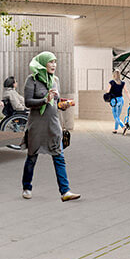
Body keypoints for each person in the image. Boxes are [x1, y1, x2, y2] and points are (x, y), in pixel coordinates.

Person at [21, 51, 79, 201]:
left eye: (55, 62)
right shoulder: (32, 80)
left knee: (59, 156)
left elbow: (56, 102)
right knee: (32, 157)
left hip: (53, 124)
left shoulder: (55, 80)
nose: (54, 65)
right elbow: (28, 102)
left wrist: (63, 105)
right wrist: (45, 100)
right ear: (42, 63)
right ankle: (27, 187)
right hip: (37, 126)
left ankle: (65, 192)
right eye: (50, 62)